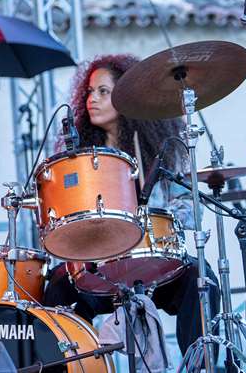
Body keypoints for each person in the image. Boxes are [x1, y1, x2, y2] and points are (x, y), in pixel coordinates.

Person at [42, 54, 220, 356]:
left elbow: (192, 208)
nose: (91, 100)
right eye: (89, 92)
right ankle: (76, 364)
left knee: (202, 279)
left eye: (103, 92)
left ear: (126, 96)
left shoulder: (160, 149)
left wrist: (154, 218)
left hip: (153, 264)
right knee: (56, 289)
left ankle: (199, 364)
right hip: (99, 265)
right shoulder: (81, 157)